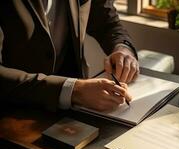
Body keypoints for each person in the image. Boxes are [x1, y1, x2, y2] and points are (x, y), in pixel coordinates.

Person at [0, 0, 139, 112]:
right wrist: (73, 90)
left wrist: (123, 48)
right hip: (14, 113)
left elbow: (107, 22)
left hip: (77, 108)